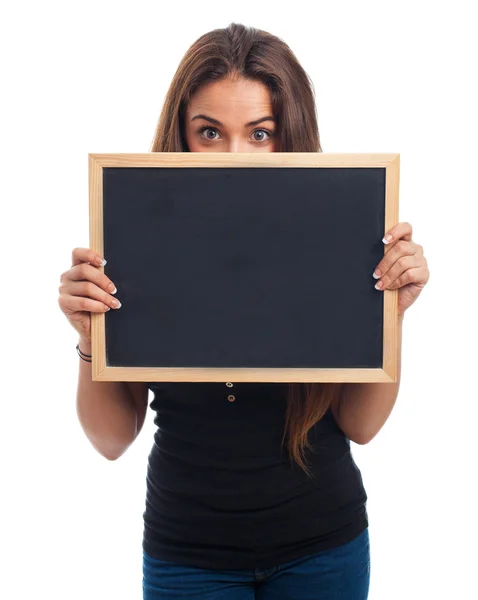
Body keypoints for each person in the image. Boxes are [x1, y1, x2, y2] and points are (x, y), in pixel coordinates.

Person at [58, 22, 430, 600]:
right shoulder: (138, 240)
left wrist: (392, 313)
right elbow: (111, 440)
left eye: (260, 134)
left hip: (323, 544)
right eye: (210, 132)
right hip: (187, 554)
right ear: (181, 135)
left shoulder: (334, 238)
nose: (234, 156)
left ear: (290, 137)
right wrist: (89, 336)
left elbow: (362, 426)